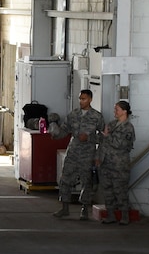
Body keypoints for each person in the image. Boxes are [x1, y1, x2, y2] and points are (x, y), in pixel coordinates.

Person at [49, 90, 105, 220]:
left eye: (84, 99)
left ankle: (84, 209)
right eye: (80, 99)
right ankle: (65, 207)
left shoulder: (97, 117)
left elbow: (104, 137)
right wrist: (55, 133)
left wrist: (90, 138)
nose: (81, 101)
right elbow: (64, 130)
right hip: (73, 151)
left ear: (90, 99)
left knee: (87, 181)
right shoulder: (73, 115)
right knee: (65, 178)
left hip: (88, 153)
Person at [99, 101, 135, 225]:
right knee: (107, 191)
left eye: (117, 109)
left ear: (125, 111)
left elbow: (120, 145)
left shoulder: (128, 127)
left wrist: (107, 136)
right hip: (107, 163)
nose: (115, 111)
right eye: (114, 109)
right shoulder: (112, 124)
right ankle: (111, 215)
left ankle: (125, 216)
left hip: (119, 165)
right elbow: (103, 142)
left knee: (120, 191)